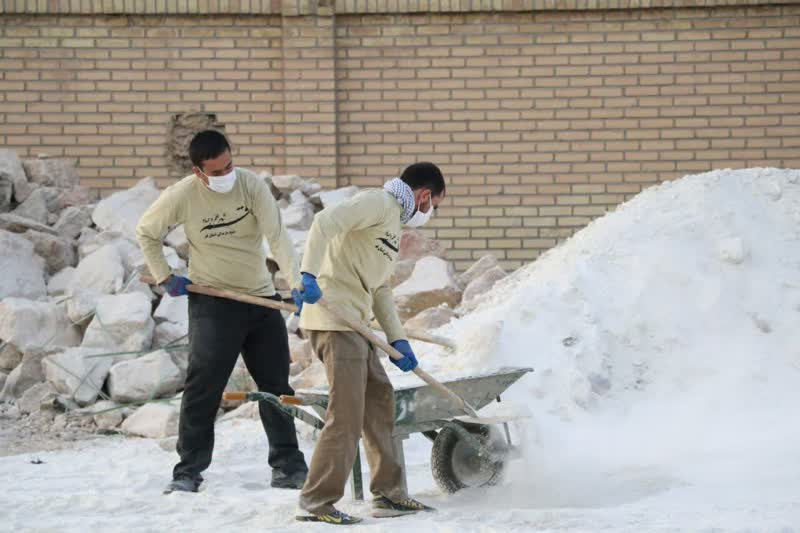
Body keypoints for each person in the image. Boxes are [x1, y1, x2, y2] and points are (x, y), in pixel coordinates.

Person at [136, 130, 308, 494]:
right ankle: (187, 471)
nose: (226, 174)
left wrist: (294, 280)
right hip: (213, 302)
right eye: (216, 172)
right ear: (199, 172)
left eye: (229, 164)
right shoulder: (182, 195)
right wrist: (166, 276)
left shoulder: (251, 186)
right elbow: (147, 231)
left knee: (276, 387)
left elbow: (277, 235)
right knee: (204, 387)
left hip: (261, 300)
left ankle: (289, 467)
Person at [292, 162, 445, 525]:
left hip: (355, 324)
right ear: (423, 196)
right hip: (334, 320)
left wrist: (398, 340)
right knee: (345, 414)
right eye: (435, 204)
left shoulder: (392, 222)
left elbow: (380, 289)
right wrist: (308, 274)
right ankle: (317, 502)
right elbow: (324, 223)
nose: (432, 211)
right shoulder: (378, 203)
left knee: (379, 401)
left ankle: (389, 494)